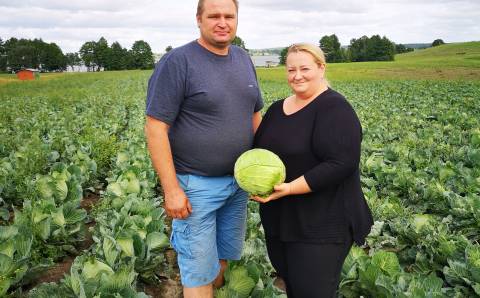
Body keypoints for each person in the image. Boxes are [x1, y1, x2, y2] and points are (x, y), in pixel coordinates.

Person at [144, 0, 263, 297]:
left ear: (237, 19)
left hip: (238, 185)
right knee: (197, 270)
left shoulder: (243, 59)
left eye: (229, 16)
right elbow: (156, 127)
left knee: (222, 259)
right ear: (199, 19)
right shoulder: (179, 61)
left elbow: (254, 116)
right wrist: (171, 189)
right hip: (195, 187)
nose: (222, 22)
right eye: (214, 16)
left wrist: (262, 170)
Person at [252, 43, 373, 298]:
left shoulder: (335, 108)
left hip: (322, 224)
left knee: (313, 292)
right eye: (291, 69)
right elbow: (258, 153)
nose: (297, 76)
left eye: (305, 68)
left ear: (321, 68)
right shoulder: (276, 109)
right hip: (281, 220)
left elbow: (341, 163)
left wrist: (290, 188)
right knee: (294, 288)